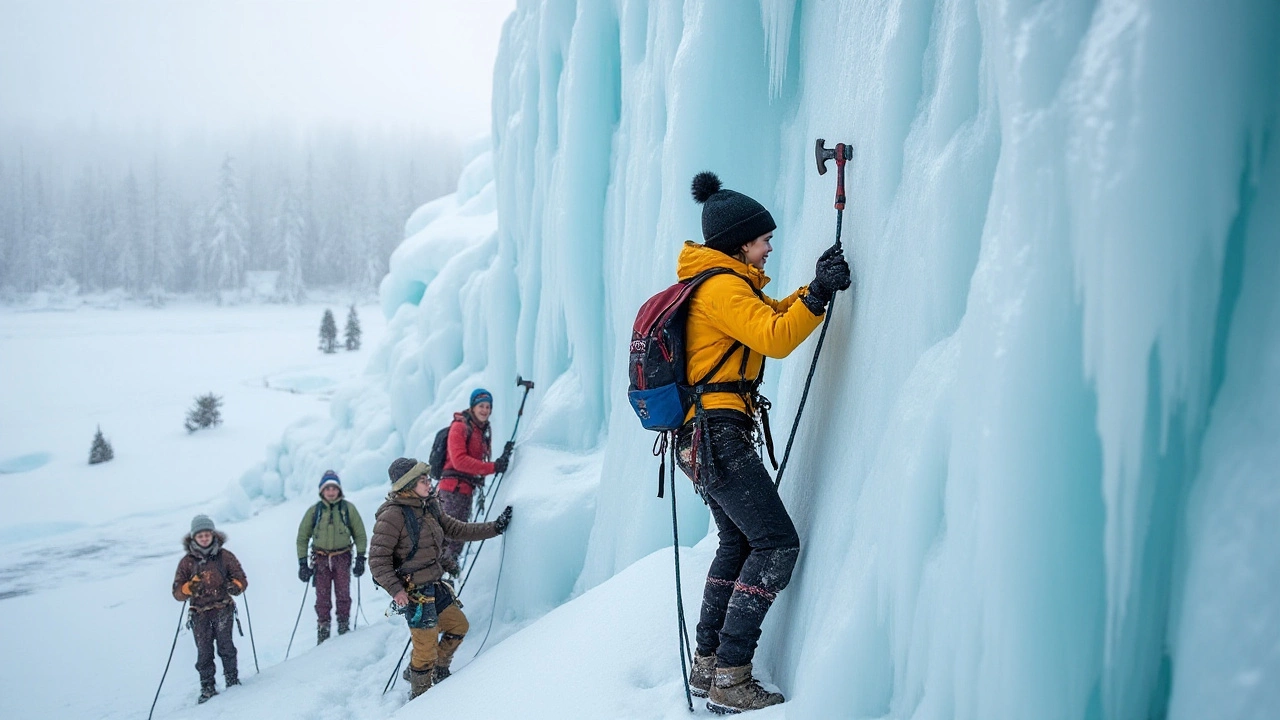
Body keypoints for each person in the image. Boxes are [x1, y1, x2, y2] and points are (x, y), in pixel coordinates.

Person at [674, 172, 851, 713]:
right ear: (740, 243)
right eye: (763, 239)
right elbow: (775, 337)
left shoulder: (721, 283)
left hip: (700, 437)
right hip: (718, 434)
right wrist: (819, 295)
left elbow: (770, 314)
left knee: (738, 542)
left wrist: (810, 289)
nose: (770, 245)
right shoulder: (723, 286)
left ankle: (708, 665)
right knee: (775, 543)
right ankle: (731, 674)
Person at [369, 457, 513, 698]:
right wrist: (396, 590)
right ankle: (421, 699)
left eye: (428, 479)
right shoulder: (392, 516)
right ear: (408, 485)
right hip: (415, 593)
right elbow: (377, 559)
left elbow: (456, 529)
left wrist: (495, 527)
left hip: (434, 586)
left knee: (458, 627)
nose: (429, 484)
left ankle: (436, 670)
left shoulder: (429, 506)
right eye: (423, 480)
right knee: (424, 651)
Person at [171, 514, 248, 704]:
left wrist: (235, 586)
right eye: (200, 535)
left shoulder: (225, 556)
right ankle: (207, 687)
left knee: (226, 647)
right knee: (204, 652)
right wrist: (189, 587)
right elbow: (177, 593)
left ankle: (232, 680)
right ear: (194, 537)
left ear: (213, 535)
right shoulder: (186, 562)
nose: (204, 538)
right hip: (199, 614)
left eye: (207, 534)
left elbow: (242, 579)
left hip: (223, 609)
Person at [436, 388, 514, 561]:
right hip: (453, 491)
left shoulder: (480, 429)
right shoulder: (460, 427)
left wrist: (502, 459)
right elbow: (459, 461)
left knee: (454, 539)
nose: (485, 410)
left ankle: (444, 578)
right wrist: (493, 467)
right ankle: (439, 579)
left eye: (488, 406)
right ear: (472, 407)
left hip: (463, 491)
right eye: (481, 406)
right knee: (451, 538)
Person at [296, 469, 368, 643]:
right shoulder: (314, 511)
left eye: (334, 488)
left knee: (343, 594)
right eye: (327, 488)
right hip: (320, 560)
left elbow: (360, 535)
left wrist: (360, 558)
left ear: (339, 490)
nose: (330, 492)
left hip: (342, 558)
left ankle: (343, 626)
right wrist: (302, 563)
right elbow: (302, 538)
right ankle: (323, 629)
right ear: (322, 490)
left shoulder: (348, 509)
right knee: (322, 597)